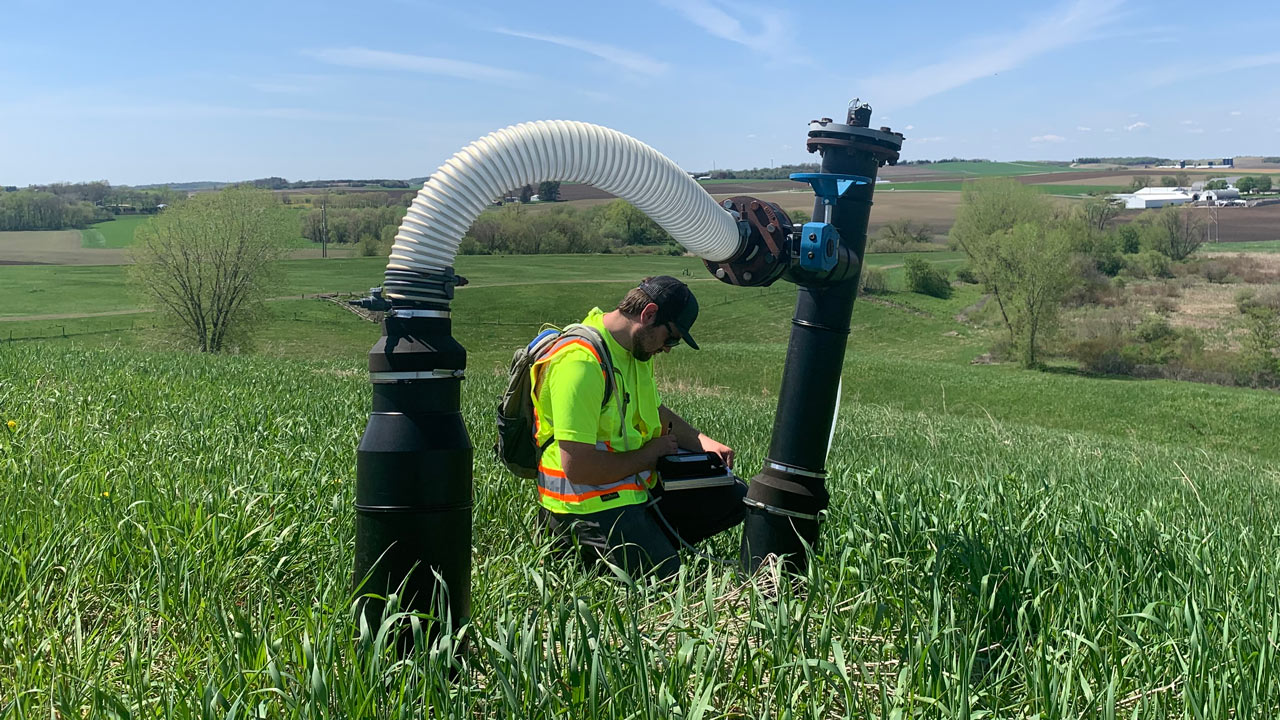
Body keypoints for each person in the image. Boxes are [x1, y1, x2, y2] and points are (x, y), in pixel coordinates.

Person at [531, 276, 747, 578]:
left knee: (736, 497)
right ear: (648, 314)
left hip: (634, 489)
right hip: (583, 509)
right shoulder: (580, 363)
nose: (668, 349)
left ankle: (652, 543)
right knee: (670, 579)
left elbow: (655, 411)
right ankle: (599, 556)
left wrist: (702, 442)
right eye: (670, 337)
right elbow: (578, 468)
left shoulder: (636, 350)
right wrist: (649, 455)